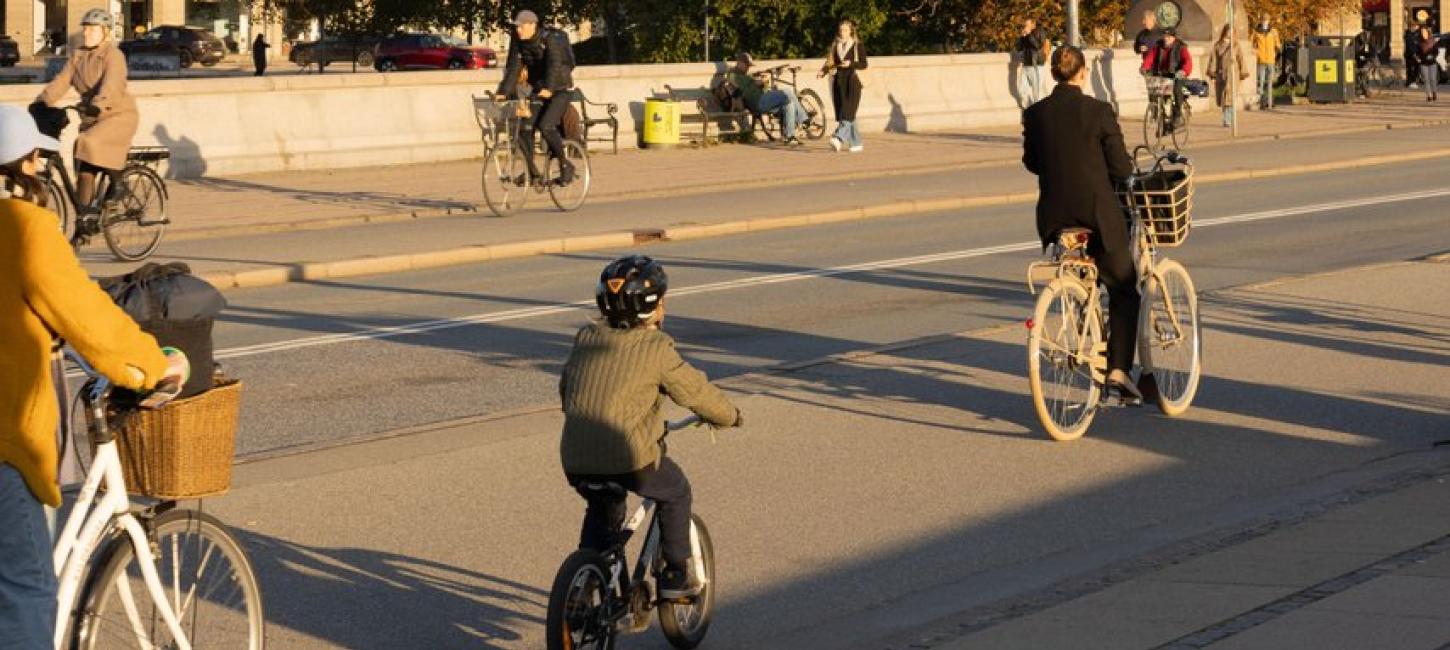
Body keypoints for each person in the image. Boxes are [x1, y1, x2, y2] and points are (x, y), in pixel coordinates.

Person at [0, 103, 187, 650]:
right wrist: (155, 365)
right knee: (26, 592)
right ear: (26, 165)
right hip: (7, 447)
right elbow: (90, 318)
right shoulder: (25, 229)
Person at [559, 255, 743, 599]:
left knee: (604, 505)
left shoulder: (585, 338)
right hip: (630, 456)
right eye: (661, 299)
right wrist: (729, 415)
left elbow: (567, 390)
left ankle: (585, 584)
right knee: (675, 491)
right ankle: (675, 575)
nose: (664, 306)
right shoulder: (656, 347)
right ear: (652, 308)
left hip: (575, 455)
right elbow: (695, 391)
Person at [1022, 46, 1143, 402]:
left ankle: (1079, 316)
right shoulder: (1099, 111)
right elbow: (1120, 168)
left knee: (1079, 272)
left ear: (1053, 73)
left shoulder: (1035, 113)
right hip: (1097, 215)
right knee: (1123, 287)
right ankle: (1119, 370)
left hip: (1054, 216)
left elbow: (1032, 162)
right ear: (1083, 72)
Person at [36, 9, 137, 218]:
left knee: (87, 142)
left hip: (117, 115)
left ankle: (119, 185)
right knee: (83, 170)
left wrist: (98, 104)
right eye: (85, 29)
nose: (87, 33)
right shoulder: (78, 55)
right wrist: (41, 102)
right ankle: (84, 219)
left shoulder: (113, 55)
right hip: (91, 117)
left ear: (105, 32)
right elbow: (62, 81)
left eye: (92, 29)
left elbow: (113, 84)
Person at [497, 9, 578, 184]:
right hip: (539, 89)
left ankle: (566, 166)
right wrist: (503, 92)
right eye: (516, 27)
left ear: (533, 25)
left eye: (521, 26)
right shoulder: (518, 41)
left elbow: (554, 65)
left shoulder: (549, 39)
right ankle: (532, 172)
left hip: (560, 88)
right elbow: (513, 68)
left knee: (546, 126)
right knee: (524, 128)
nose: (518, 30)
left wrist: (549, 87)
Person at [729, 52, 807, 146]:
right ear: (740, 63)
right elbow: (740, 88)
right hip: (758, 101)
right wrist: (757, 82)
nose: (748, 68)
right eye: (747, 65)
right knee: (788, 92)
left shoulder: (745, 76)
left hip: (762, 100)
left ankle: (789, 137)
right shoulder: (733, 74)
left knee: (789, 103)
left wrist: (760, 83)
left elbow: (751, 85)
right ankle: (804, 119)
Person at [820, 19, 868, 152]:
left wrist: (851, 64)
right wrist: (822, 71)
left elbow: (864, 64)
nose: (842, 32)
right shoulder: (836, 45)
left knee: (848, 112)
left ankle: (838, 137)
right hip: (839, 83)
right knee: (846, 112)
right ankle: (856, 143)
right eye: (841, 30)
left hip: (853, 82)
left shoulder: (858, 45)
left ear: (851, 31)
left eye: (845, 30)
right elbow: (831, 62)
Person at [1142, 28, 1193, 129]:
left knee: (1177, 89)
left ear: (1174, 38)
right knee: (1153, 89)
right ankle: (1157, 113)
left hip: (1177, 74)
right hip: (1162, 74)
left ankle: (1177, 115)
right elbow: (1150, 58)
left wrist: (1183, 71)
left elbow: (1188, 61)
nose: (1166, 39)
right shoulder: (1158, 46)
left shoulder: (1181, 47)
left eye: (1168, 37)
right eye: (1165, 36)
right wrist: (1144, 67)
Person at [1206, 24, 1248, 127]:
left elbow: (1241, 59)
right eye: (1228, 31)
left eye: (1232, 31)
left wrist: (1243, 72)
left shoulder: (1236, 45)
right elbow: (1213, 60)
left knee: (1230, 97)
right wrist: (1212, 74)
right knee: (1222, 99)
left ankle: (1228, 119)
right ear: (1225, 31)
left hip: (1233, 75)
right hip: (1221, 74)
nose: (1230, 33)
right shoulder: (1218, 45)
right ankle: (1227, 117)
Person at [1016, 18, 1049, 107]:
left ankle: (1038, 110)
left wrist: (1029, 35)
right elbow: (1019, 48)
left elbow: (1037, 46)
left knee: (1037, 92)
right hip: (1026, 64)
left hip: (1036, 64)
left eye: (1027, 24)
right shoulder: (1026, 34)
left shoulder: (1040, 32)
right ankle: (1028, 109)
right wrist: (1021, 37)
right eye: (1025, 25)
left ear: (1033, 24)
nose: (1025, 27)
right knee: (1022, 89)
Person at [1251, 15, 1281, 110]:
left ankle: (1270, 102)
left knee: (1269, 82)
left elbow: (1278, 44)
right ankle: (1262, 101)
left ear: (1269, 20)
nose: (1265, 21)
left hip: (1270, 60)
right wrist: (1255, 51)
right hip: (1261, 60)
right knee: (1261, 82)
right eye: (1263, 20)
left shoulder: (1273, 31)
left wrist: (1275, 53)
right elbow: (1251, 43)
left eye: (1267, 20)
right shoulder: (1256, 32)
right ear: (1261, 20)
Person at [1414, 26, 1440, 102]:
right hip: (1423, 63)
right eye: (1422, 32)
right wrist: (1417, 58)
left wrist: (1432, 56)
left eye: (1424, 32)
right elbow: (1417, 52)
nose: (1423, 34)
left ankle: (1434, 92)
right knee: (1426, 80)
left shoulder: (1432, 41)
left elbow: (1436, 51)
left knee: (1433, 79)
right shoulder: (1419, 42)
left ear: (1428, 32)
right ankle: (1429, 96)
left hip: (1432, 63)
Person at [1405, 22, 1422, 88]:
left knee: (1416, 69)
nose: (1414, 28)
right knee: (1410, 69)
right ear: (1410, 27)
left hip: (1416, 54)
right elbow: (1410, 46)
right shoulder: (1408, 35)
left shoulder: (1416, 34)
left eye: (1415, 27)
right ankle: (1410, 82)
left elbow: (1419, 44)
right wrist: (1414, 54)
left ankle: (1413, 81)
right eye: (1413, 27)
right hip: (1410, 55)